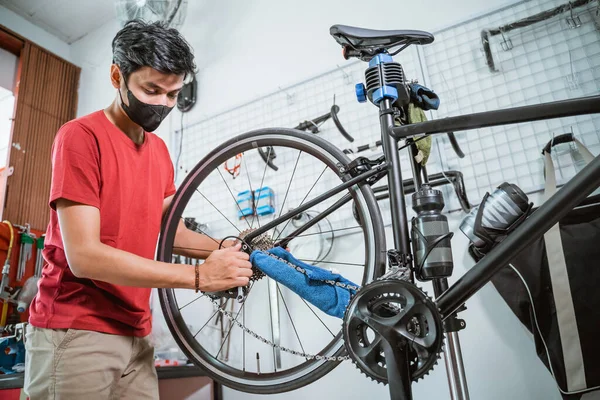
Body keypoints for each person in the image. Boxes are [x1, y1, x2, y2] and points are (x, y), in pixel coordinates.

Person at [23, 20, 252, 400]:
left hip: (137, 333)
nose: (163, 103)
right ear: (117, 75)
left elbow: (169, 230)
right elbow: (84, 257)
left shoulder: (159, 152)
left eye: (173, 94)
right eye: (152, 89)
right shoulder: (81, 137)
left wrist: (227, 249)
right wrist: (198, 278)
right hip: (76, 330)